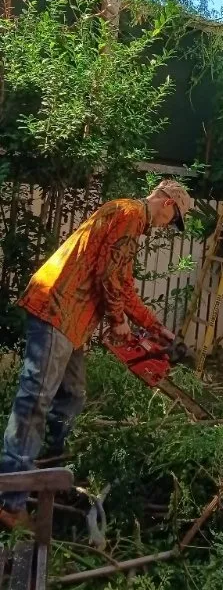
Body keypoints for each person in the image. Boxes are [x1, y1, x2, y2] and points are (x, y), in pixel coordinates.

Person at [0, 179, 191, 529]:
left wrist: (157, 329)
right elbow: (110, 276)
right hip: (57, 308)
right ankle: (10, 502)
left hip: (72, 322)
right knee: (35, 399)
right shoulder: (131, 214)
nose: (168, 226)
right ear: (166, 203)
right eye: (173, 218)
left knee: (71, 395)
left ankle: (46, 477)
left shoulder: (126, 216)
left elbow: (123, 285)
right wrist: (118, 321)